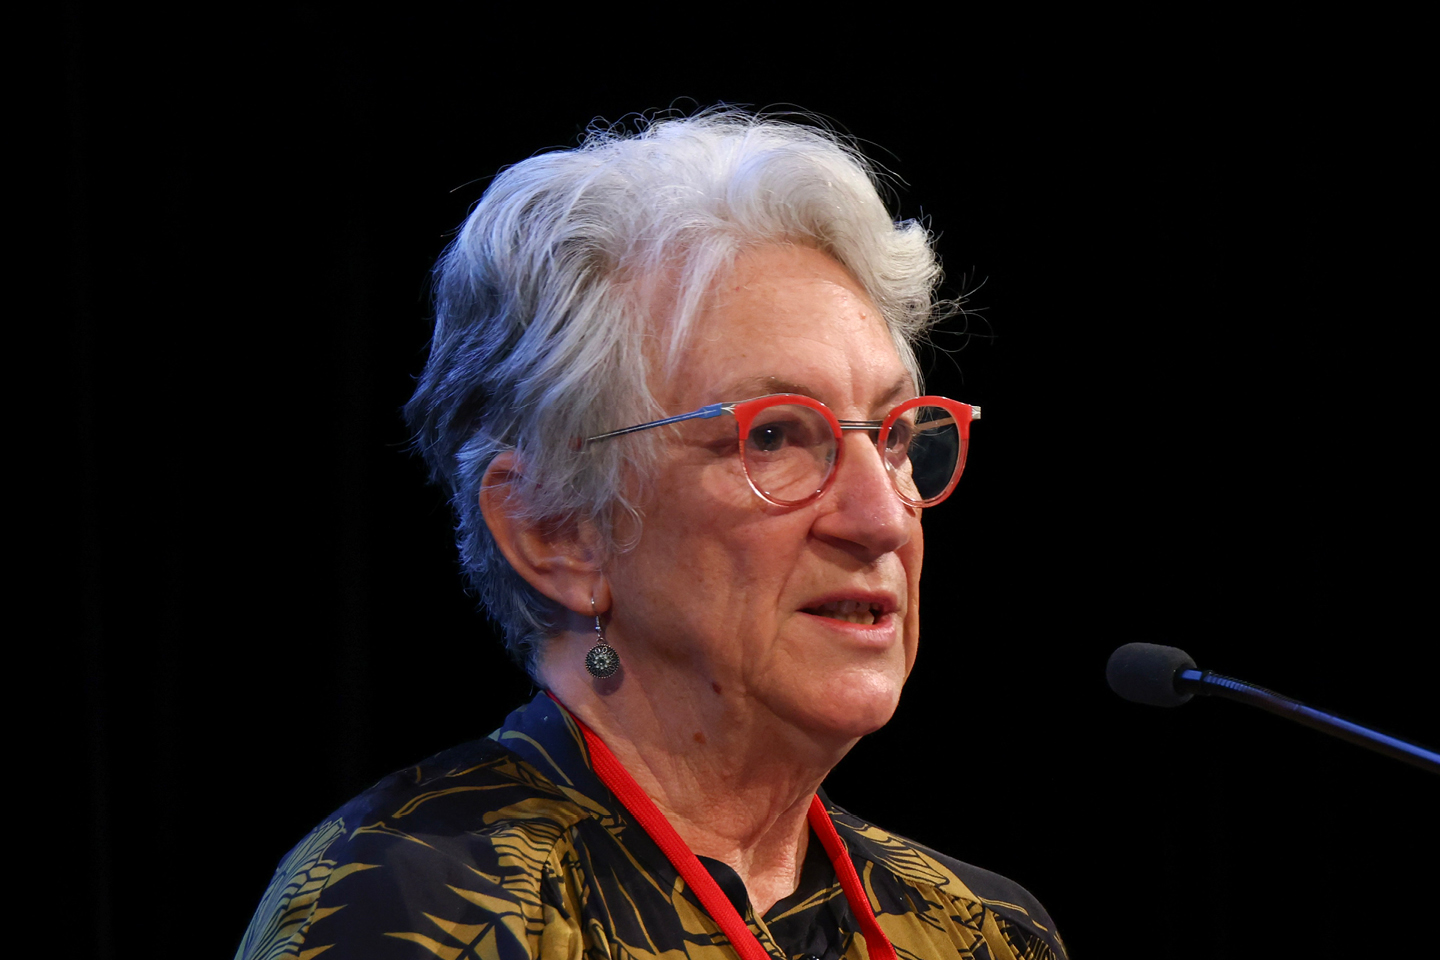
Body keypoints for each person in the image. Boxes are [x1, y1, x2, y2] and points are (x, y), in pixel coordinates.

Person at [235, 110, 1066, 960]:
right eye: (774, 437)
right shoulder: (415, 899)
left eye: (891, 435)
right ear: (555, 530)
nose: (883, 518)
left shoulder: (986, 934)